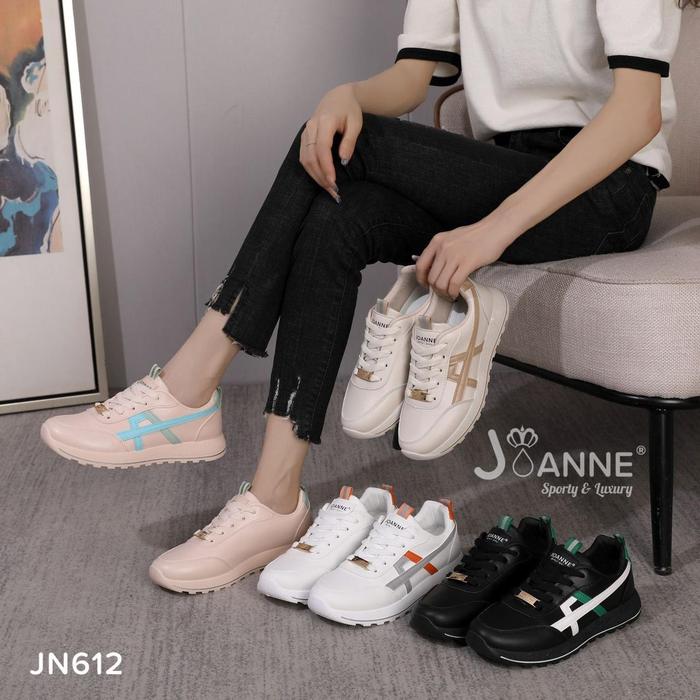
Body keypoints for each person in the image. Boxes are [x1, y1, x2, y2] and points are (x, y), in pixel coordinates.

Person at [41, 0, 685, 593]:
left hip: (606, 187)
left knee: (348, 149)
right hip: (500, 168)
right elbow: (410, 79)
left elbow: (637, 113)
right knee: (335, 212)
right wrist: (344, 95)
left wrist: (492, 231)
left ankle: (188, 386)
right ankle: (272, 500)